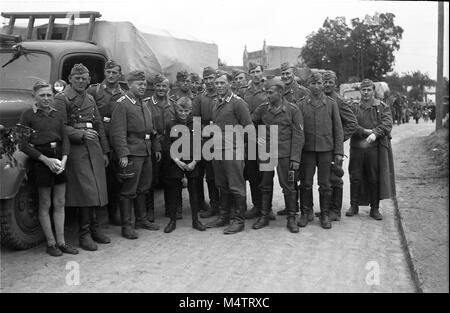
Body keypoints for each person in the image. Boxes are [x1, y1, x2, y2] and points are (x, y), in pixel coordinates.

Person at [54, 63, 110, 251]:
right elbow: (59, 127)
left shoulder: (90, 98)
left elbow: (99, 124)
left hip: (93, 148)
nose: (80, 81)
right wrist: (80, 134)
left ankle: (95, 228)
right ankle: (84, 233)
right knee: (86, 193)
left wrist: (104, 150)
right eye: (77, 78)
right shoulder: (61, 99)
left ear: (88, 80)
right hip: (76, 150)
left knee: (97, 189)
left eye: (84, 78)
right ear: (70, 79)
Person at [19, 80, 78, 256]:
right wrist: (46, 160)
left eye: (49, 95)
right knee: (45, 203)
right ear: (34, 97)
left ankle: (62, 242)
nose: (46, 98)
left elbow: (65, 139)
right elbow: (23, 145)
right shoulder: (28, 115)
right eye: (42, 95)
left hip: (59, 158)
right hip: (41, 160)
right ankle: (51, 243)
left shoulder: (58, 114)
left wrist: (64, 160)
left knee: (60, 202)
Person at [110, 70, 162, 239]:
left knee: (144, 188)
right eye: (139, 84)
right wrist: (123, 154)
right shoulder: (122, 103)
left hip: (145, 150)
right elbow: (117, 132)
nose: (143, 87)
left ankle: (141, 220)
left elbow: (151, 129)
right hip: (132, 152)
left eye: (144, 84)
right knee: (128, 190)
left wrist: (155, 148)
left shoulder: (143, 103)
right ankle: (127, 226)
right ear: (129, 84)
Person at [251, 78, 304, 232]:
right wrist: (257, 138)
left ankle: (291, 218)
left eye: (270, 93)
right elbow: (250, 122)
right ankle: (264, 215)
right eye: (266, 92)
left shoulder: (293, 110)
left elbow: (299, 135)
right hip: (267, 152)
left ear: (280, 92)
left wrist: (295, 158)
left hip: (285, 155)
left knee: (289, 187)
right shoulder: (262, 109)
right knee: (265, 185)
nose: (267, 96)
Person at [206, 70, 254, 234]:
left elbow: (249, 128)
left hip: (233, 150)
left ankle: (238, 220)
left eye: (222, 83)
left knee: (236, 186)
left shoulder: (238, 103)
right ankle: (224, 216)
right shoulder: (216, 102)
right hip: (218, 150)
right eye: (217, 83)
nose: (218, 86)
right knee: (222, 184)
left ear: (230, 84)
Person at [297, 72, 344, 229]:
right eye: (312, 83)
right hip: (307, 150)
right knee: (305, 183)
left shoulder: (331, 104)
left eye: (319, 83)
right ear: (308, 85)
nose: (316, 86)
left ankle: (324, 214)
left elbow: (338, 130)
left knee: (325, 184)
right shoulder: (301, 104)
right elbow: (297, 130)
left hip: (326, 150)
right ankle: (306, 212)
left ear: (323, 85)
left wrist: (338, 152)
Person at [346, 79, 396, 220]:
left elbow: (387, 123)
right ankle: (353, 205)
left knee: (374, 178)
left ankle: (375, 209)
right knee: (355, 177)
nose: (366, 93)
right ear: (360, 91)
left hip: (374, 149)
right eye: (364, 90)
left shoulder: (381, 106)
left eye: (369, 90)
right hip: (356, 147)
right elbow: (349, 123)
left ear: (373, 91)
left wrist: (375, 133)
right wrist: (364, 131)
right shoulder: (353, 106)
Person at [87, 60, 125, 226]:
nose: (111, 75)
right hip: (98, 141)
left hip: (115, 141)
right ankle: (97, 215)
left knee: (116, 179)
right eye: (108, 72)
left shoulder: (123, 94)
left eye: (114, 72)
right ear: (104, 72)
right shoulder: (94, 91)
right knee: (97, 178)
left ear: (119, 75)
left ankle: (113, 211)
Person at [161, 96, 207, 233]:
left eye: (186, 111)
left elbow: (200, 145)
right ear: (176, 109)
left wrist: (194, 162)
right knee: (174, 192)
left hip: (193, 161)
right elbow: (167, 145)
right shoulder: (171, 124)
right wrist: (176, 161)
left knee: (194, 192)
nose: (183, 113)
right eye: (180, 110)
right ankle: (172, 220)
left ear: (191, 110)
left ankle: (195, 220)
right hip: (176, 162)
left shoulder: (196, 124)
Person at [322, 71, 358, 221]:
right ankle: (327, 208)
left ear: (335, 83)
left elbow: (352, 123)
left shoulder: (340, 101)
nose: (327, 84)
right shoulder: (321, 99)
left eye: (330, 81)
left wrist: (338, 139)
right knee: (325, 179)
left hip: (335, 148)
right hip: (323, 147)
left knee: (335, 178)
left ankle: (335, 211)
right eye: (325, 81)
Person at [277, 62, 311, 216]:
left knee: (303, 178)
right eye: (283, 74)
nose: (285, 76)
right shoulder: (279, 92)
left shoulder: (303, 92)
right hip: (285, 142)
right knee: (289, 177)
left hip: (300, 140)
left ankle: (307, 209)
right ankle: (291, 206)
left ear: (293, 73)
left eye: (287, 73)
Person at [145, 74, 176, 222]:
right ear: (154, 87)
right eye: (158, 85)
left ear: (168, 88)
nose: (161, 88)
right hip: (153, 145)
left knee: (169, 177)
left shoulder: (174, 105)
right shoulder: (146, 104)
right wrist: (155, 144)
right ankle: (149, 210)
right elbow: (148, 127)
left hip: (170, 145)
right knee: (151, 179)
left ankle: (171, 208)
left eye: (164, 86)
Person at [192, 67, 220, 218]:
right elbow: (195, 121)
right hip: (204, 141)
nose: (209, 82)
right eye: (206, 79)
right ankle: (210, 204)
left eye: (211, 78)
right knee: (207, 175)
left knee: (219, 174)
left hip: (221, 139)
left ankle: (223, 204)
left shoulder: (222, 96)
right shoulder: (199, 98)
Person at [242, 62, 266, 220]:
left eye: (258, 71)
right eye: (253, 72)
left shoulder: (269, 88)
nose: (256, 74)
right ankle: (257, 206)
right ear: (249, 74)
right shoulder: (245, 92)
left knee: (266, 173)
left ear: (262, 72)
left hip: (265, 135)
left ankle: (266, 207)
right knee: (252, 173)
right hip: (250, 136)